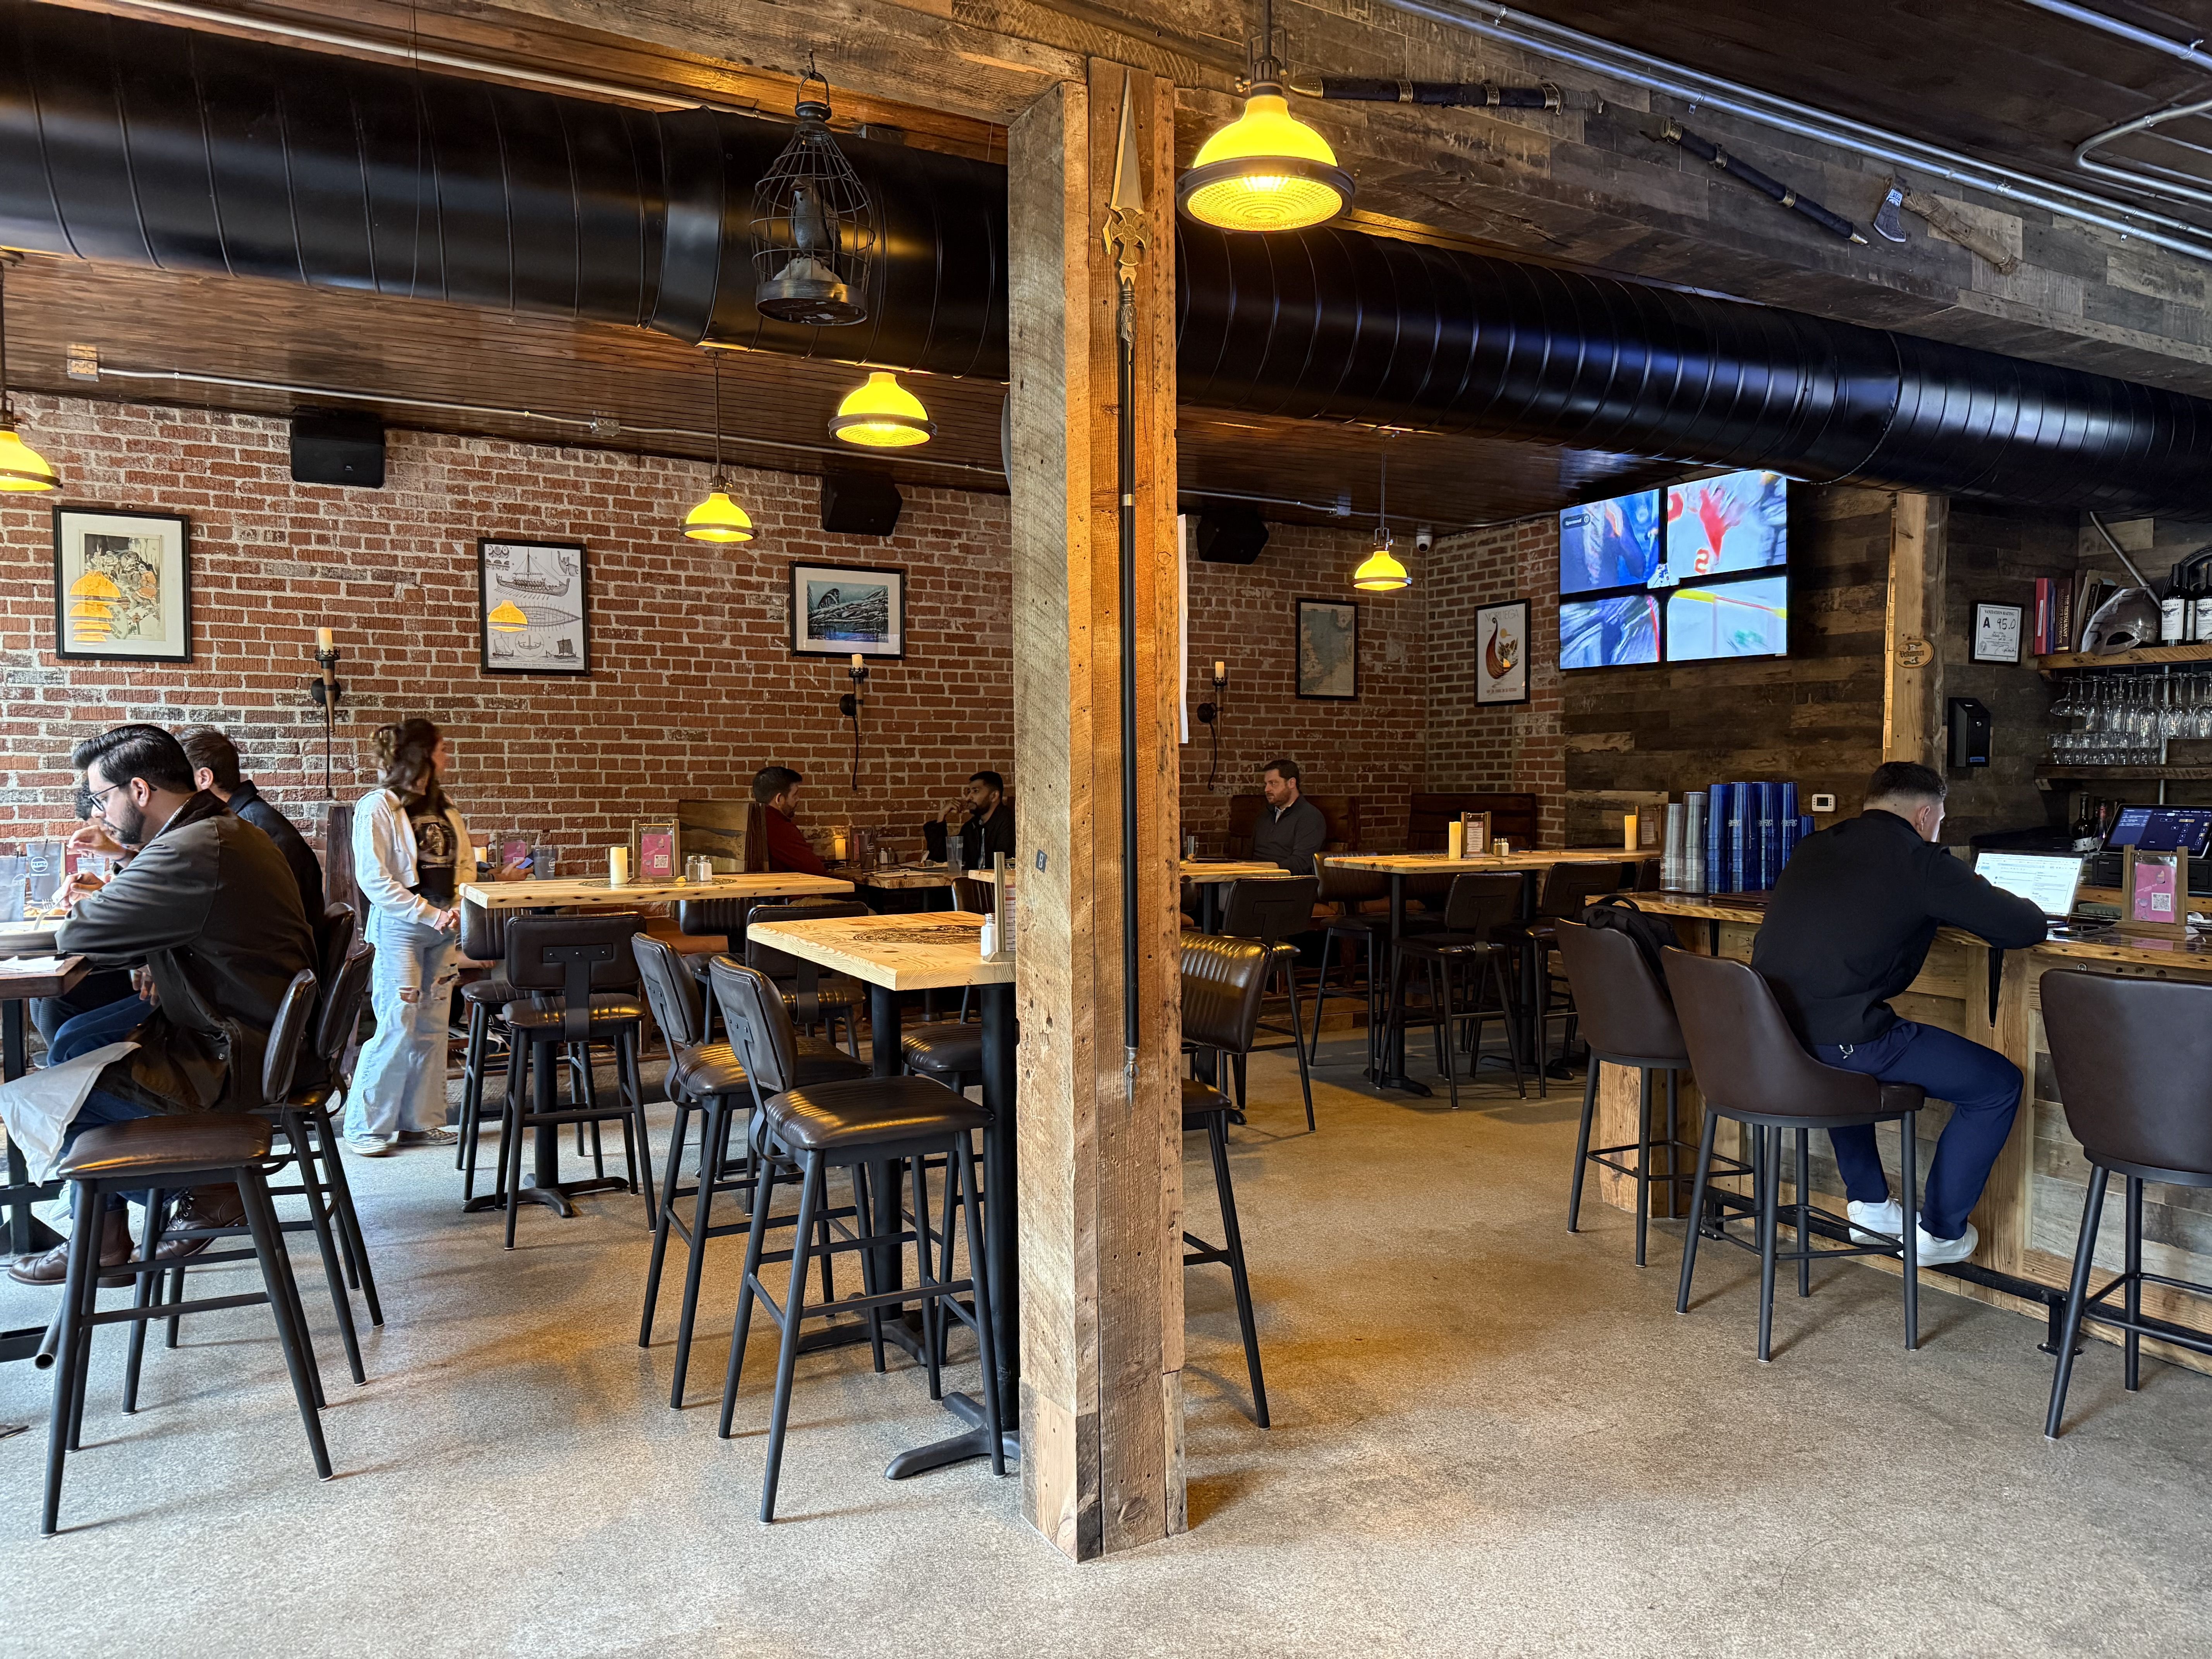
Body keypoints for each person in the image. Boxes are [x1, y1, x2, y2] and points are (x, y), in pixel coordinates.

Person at [8, 725, 315, 1285]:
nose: (99, 812)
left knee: (50, 1095)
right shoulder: (214, 833)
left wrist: (111, 889)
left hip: (237, 1056)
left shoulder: (196, 846)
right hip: (250, 1032)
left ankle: (210, 1186)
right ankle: (100, 1234)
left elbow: (84, 933)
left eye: (101, 798)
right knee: (76, 1043)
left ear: (140, 791)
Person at [1750, 761, 2048, 1265]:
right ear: (1925, 814)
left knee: (1840, 1061)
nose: (1938, 828)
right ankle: (1941, 1233)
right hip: (1842, 1043)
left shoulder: (1813, 846)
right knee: (1997, 1085)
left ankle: (1869, 1205)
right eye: (1940, 819)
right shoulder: (1921, 861)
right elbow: (2022, 927)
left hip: (1775, 1035)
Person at [346, 720, 469, 1156]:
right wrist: (428, 914)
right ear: (423, 754)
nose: (448, 756)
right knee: (398, 1022)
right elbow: (374, 879)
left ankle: (421, 1122)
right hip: (402, 928)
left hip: (444, 926)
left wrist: (457, 906)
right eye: (442, 748)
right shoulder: (378, 806)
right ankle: (366, 1126)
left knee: (434, 1026)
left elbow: (464, 864)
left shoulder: (445, 806)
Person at [179, 726, 325, 920]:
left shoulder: (250, 830)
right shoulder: (240, 820)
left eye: (177, 777)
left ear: (204, 778)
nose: (171, 786)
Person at [1251, 757, 1326, 876]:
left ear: (1291, 783)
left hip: (1287, 882)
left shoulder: (1310, 817)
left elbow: (1302, 863)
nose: (1267, 789)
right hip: (1253, 879)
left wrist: (1265, 871)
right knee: (1217, 889)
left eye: (1273, 783)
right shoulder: (1265, 815)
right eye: (1266, 784)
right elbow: (1249, 855)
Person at [752, 765, 828, 876]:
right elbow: (816, 871)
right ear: (779, 799)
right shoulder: (780, 828)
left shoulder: (754, 820)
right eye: (795, 794)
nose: (798, 799)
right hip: (783, 891)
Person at [945, 770, 1015, 870]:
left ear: (994, 796)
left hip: (997, 884)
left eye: (976, 791)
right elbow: (941, 857)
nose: (968, 798)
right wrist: (941, 816)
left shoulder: (1009, 822)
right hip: (975, 883)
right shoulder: (972, 827)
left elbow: (1003, 866)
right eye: (969, 792)